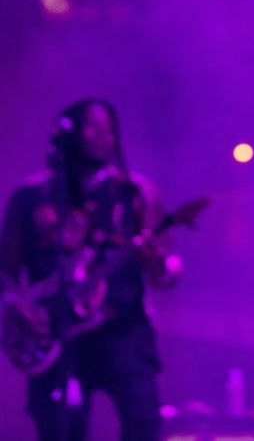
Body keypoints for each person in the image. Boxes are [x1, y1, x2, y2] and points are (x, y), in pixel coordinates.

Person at [0, 99, 180, 441]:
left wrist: (158, 263)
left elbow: (170, 270)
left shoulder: (136, 192)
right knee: (59, 428)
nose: (104, 137)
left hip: (123, 331)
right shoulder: (32, 196)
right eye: (93, 128)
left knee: (143, 421)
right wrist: (14, 304)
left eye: (109, 129)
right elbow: (4, 267)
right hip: (54, 334)